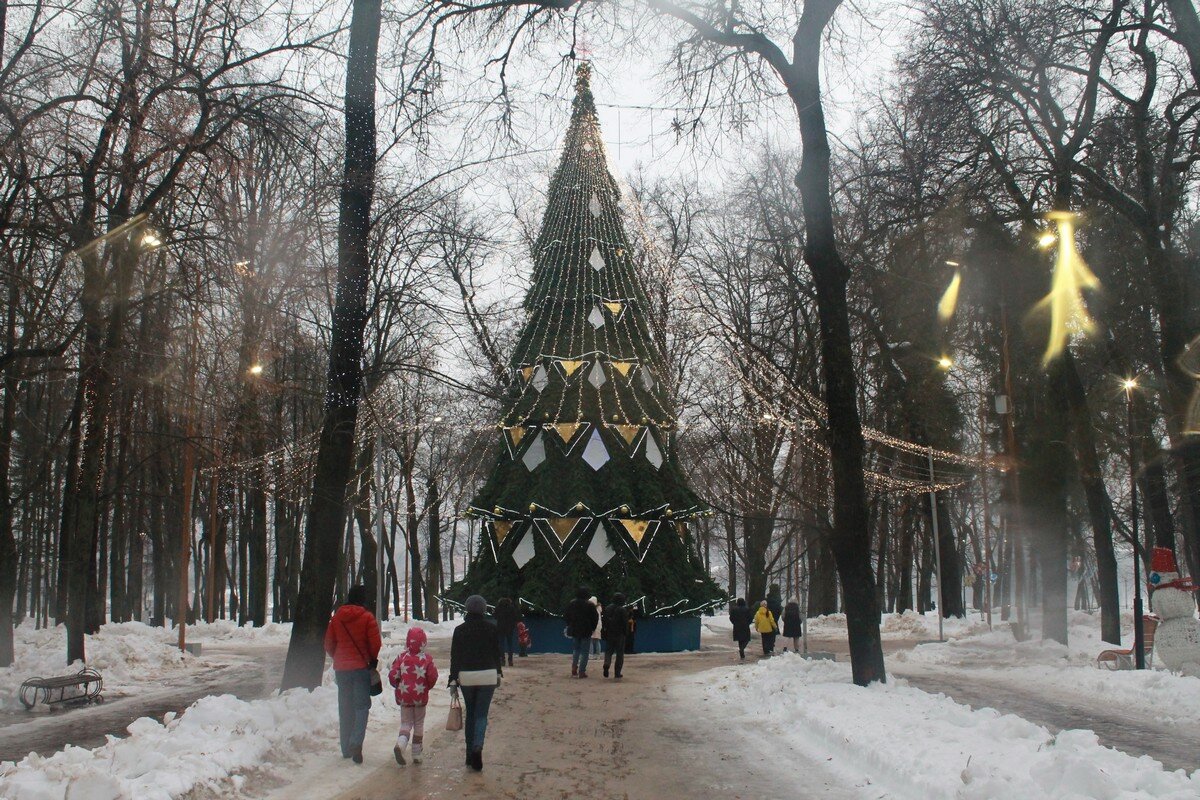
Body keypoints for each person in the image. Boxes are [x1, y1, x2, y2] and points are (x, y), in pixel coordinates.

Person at [324, 584, 381, 764]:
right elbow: (375, 643)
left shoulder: (337, 618)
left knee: (345, 707)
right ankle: (356, 742)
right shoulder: (367, 617)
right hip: (361, 668)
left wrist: (338, 657)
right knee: (361, 706)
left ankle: (345, 748)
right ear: (362, 599)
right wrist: (371, 659)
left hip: (342, 669)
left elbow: (328, 644)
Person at [449, 594, 503, 772]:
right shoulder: (491, 629)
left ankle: (469, 754)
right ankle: (478, 747)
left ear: (467, 609)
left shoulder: (460, 630)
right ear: (484, 610)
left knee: (470, 713)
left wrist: (453, 679)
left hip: (467, 677)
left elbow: (455, 657)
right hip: (487, 675)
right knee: (481, 715)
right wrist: (498, 673)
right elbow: (497, 653)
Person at [388, 626, 438, 766]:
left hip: (404, 696)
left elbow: (393, 675)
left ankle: (401, 745)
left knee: (406, 723)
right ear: (424, 642)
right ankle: (416, 753)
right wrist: (427, 686)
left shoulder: (401, 657)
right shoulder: (427, 659)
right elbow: (432, 676)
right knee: (419, 723)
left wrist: (397, 684)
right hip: (420, 696)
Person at [564, 587, 599, 677]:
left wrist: (570, 625)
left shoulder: (572, 603)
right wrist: (592, 628)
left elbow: (566, 615)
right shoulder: (590, 605)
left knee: (576, 649)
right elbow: (595, 618)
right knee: (585, 652)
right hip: (586, 630)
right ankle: (582, 671)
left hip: (575, 629)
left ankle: (574, 667)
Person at [602, 594, 630, 678]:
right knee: (620, 654)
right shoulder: (622, 610)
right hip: (620, 634)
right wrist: (626, 633)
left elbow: (604, 621)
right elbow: (625, 623)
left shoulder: (607, 608)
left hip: (610, 633)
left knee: (608, 651)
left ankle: (607, 663)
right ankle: (617, 673)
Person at [494, 597, 521, 667]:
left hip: (500, 628)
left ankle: (502, 660)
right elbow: (516, 617)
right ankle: (510, 660)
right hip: (510, 628)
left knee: (501, 644)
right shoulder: (511, 608)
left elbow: (495, 616)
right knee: (510, 644)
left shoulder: (498, 607)